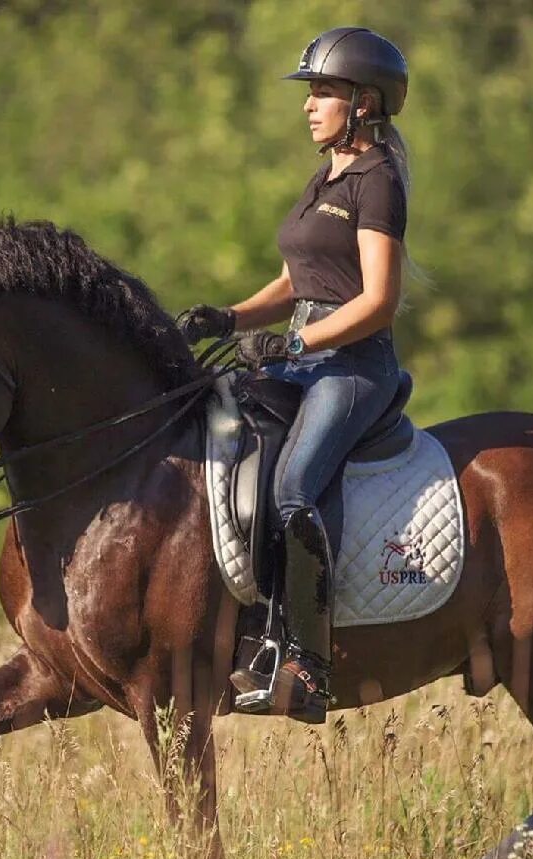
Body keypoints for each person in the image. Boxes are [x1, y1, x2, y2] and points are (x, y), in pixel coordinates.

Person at [176, 27, 411, 724]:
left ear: (363, 102)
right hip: (301, 358)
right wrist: (228, 319)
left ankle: (307, 667)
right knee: (222, 442)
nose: (309, 106)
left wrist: (294, 340)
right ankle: (246, 631)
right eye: (310, 93)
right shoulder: (326, 175)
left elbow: (377, 300)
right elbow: (292, 280)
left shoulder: (378, 181)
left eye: (323, 92)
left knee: (294, 487)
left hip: (355, 366)